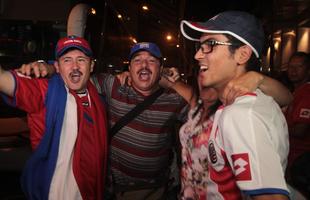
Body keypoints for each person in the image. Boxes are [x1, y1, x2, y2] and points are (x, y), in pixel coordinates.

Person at [19, 41, 292, 200]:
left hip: (154, 192)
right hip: (112, 190)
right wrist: (48, 67)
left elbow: (206, 109)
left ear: (161, 69)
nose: (144, 65)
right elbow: (74, 71)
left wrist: (258, 79)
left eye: (152, 61)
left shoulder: (175, 100)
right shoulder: (110, 85)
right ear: (129, 68)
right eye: (137, 60)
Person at [179, 10, 290, 199]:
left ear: (242, 54)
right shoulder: (248, 104)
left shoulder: (240, 115)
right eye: (199, 46)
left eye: (210, 45)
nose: (197, 55)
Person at [0, 35, 108, 200]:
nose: (75, 67)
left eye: (81, 60)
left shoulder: (97, 96)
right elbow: (5, 80)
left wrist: (49, 66)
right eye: (67, 60)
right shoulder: (46, 92)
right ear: (58, 66)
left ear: (91, 65)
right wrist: (47, 67)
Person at [285, 52, 310, 197]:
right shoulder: (295, 92)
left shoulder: (307, 92)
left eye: (298, 67)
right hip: (293, 160)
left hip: (302, 161)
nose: (293, 71)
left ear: (308, 70)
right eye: (290, 66)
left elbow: (300, 130)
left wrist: (277, 127)